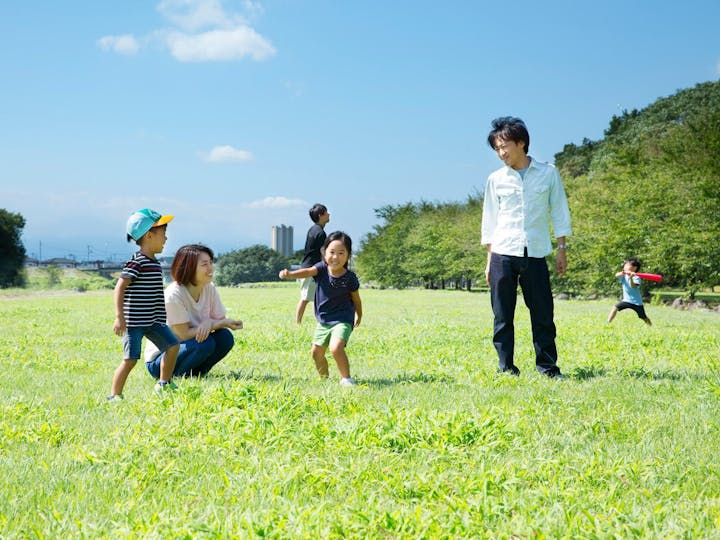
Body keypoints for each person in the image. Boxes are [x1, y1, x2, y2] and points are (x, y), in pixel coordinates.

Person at [481, 117, 572, 378]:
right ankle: (506, 368)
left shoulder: (548, 172)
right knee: (502, 315)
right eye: (497, 149)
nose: (501, 153)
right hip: (502, 252)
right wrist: (489, 259)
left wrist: (562, 247)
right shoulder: (495, 179)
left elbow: (559, 210)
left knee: (543, 314)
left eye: (504, 146)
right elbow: (490, 219)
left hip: (535, 252)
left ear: (521, 142)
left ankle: (548, 368)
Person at [109, 208, 180, 401]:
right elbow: (120, 288)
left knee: (173, 346)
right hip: (134, 323)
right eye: (163, 234)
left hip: (154, 321)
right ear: (149, 235)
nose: (165, 239)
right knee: (130, 360)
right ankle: (115, 395)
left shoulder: (155, 263)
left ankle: (164, 384)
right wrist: (119, 317)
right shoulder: (137, 262)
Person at [145, 244, 244, 378]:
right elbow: (184, 334)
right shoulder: (173, 295)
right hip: (161, 360)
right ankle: (173, 376)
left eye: (211, 262)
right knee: (205, 344)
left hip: (190, 346)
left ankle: (196, 374)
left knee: (224, 337)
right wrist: (211, 324)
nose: (210, 268)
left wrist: (214, 323)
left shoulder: (209, 288)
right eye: (204, 264)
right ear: (189, 268)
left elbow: (220, 319)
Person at [279, 231, 362, 386]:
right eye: (332, 252)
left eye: (341, 253)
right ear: (324, 253)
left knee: (336, 347)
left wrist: (359, 315)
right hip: (323, 320)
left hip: (343, 319)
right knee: (316, 353)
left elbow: (356, 299)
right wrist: (290, 274)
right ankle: (324, 379)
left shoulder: (350, 278)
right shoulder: (322, 269)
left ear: (348, 256)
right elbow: (307, 271)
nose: (335, 257)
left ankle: (346, 379)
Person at [295, 203, 330, 324]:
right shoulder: (320, 232)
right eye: (326, 212)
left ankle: (319, 321)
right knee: (305, 298)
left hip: (310, 267)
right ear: (321, 215)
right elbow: (323, 252)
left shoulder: (313, 229)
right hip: (311, 269)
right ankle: (298, 323)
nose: (329, 214)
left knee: (315, 297)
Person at [607, 258, 652, 326]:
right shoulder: (623, 275)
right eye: (625, 265)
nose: (625, 266)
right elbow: (616, 275)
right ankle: (608, 323)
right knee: (615, 308)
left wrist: (631, 277)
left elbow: (633, 286)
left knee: (643, 317)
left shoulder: (636, 277)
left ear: (634, 268)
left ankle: (650, 325)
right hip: (626, 300)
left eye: (628, 265)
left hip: (637, 302)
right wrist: (623, 272)